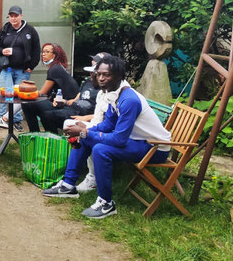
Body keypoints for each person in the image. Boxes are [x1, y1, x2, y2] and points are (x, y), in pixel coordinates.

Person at [43, 55, 171, 219]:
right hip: (138, 141)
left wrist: (86, 132)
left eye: (106, 75)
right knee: (86, 137)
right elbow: (108, 125)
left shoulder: (128, 100)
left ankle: (106, 203)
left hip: (155, 148)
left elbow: (119, 139)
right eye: (99, 74)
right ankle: (68, 185)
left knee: (101, 149)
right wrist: (85, 130)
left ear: (118, 76)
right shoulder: (114, 92)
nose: (101, 78)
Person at [63, 52, 111, 193]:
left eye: (94, 74)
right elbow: (99, 120)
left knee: (86, 137)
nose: (92, 77)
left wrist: (86, 129)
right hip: (108, 130)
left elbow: (112, 126)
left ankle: (88, 178)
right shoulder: (103, 93)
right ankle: (69, 181)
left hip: (140, 143)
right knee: (75, 128)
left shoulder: (118, 95)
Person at [0, 5, 40, 131]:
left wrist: (31, 66)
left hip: (22, 69)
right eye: (11, 16)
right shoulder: (5, 28)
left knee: (19, 96)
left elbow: (36, 49)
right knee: (4, 94)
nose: (14, 18)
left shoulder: (30, 30)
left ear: (21, 16)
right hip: (6, 68)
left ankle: (15, 120)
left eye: (16, 16)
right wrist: (2, 51)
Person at [19, 43, 80, 133]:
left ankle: (35, 133)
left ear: (55, 55)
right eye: (43, 52)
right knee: (31, 103)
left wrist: (22, 93)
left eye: (47, 52)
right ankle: (37, 134)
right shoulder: (59, 67)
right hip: (63, 104)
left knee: (27, 103)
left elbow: (42, 92)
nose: (43, 54)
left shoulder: (55, 69)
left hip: (66, 107)